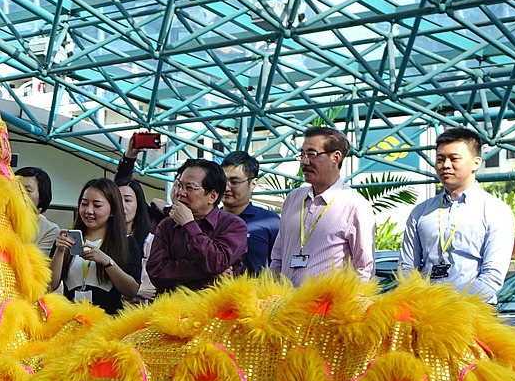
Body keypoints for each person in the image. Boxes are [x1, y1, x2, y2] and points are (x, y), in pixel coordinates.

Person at [400, 127, 515, 303]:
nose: (445, 165)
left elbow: (492, 276)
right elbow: (407, 268)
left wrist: (451, 306)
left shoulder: (496, 211)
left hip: (475, 314)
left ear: (476, 162)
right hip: (426, 313)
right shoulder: (420, 212)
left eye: (454, 159)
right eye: (440, 159)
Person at [270, 126, 375, 285]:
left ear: (336, 157)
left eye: (312, 154)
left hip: (327, 307)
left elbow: (364, 269)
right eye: (302, 155)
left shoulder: (355, 205)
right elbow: (277, 257)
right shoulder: (293, 199)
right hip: (285, 304)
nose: (304, 162)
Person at [146, 159, 247, 293]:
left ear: (212, 196)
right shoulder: (167, 225)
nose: (181, 193)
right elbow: (156, 272)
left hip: (215, 309)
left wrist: (189, 225)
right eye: (179, 185)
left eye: (190, 188)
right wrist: (206, 273)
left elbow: (216, 262)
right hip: (172, 309)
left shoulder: (234, 225)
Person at [49, 178, 141, 313]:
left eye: (97, 205)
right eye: (84, 204)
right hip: (71, 321)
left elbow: (131, 290)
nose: (89, 211)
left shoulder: (126, 243)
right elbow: (49, 286)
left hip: (107, 325)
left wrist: (107, 262)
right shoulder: (67, 239)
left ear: (112, 210)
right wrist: (60, 251)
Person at [220, 150, 280, 274]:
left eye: (234, 182)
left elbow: (281, 265)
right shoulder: (208, 219)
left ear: (253, 184)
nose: (226, 188)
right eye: (223, 181)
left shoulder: (270, 222)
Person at [117, 177, 157, 302]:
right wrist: (137, 291)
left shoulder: (151, 241)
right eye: (116, 200)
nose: (121, 206)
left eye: (128, 200)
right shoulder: (102, 239)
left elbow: (151, 290)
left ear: (139, 205)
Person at [16, 166, 61, 254]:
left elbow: (34, 263)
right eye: (17, 187)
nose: (20, 193)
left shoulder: (49, 230)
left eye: (27, 190)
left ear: (41, 197)